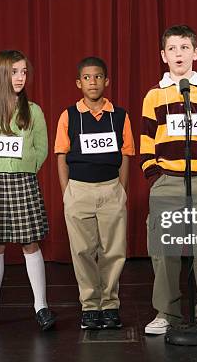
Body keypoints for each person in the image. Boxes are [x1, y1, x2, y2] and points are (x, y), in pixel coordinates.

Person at [140, 25, 197, 335]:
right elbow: (146, 139)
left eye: (184, 48)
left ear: (196, 52)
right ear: (163, 55)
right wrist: (154, 173)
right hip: (168, 181)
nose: (179, 53)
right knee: (164, 250)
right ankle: (167, 313)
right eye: (172, 49)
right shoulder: (154, 95)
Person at [0, 50, 56, 331]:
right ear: (1, 74)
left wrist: (28, 168)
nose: (20, 77)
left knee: (30, 243)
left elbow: (42, 148)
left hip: (23, 182)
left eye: (24, 72)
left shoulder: (34, 110)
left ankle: (41, 305)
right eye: (15, 71)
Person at [54, 56, 135, 329]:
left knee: (113, 251)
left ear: (106, 81)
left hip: (111, 189)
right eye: (87, 77)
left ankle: (110, 304)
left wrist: (121, 189)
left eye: (98, 76)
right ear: (79, 83)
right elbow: (61, 156)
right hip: (78, 191)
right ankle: (90, 305)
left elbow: (126, 155)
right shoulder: (69, 115)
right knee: (82, 252)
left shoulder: (120, 116)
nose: (93, 81)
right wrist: (67, 192)